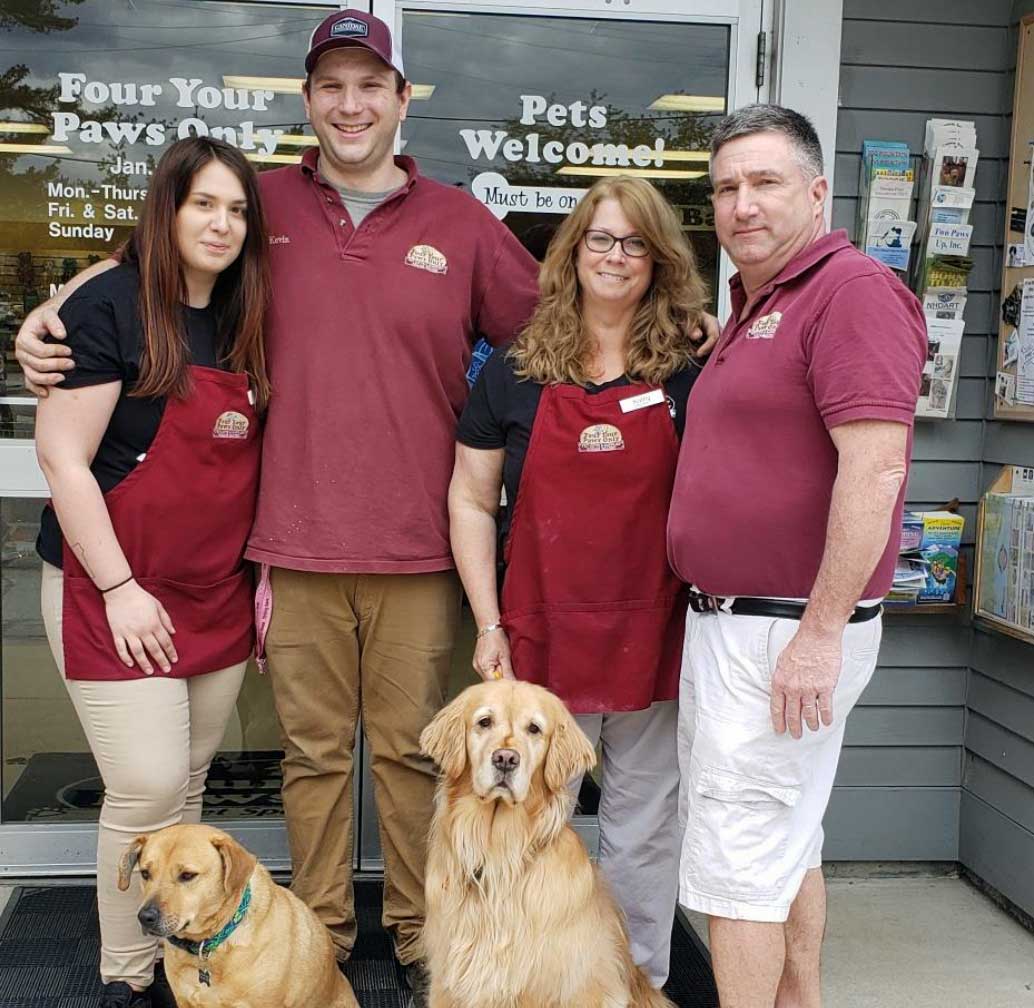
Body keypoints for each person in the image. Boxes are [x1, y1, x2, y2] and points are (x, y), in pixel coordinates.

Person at [666, 104, 927, 1008]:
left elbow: (877, 468)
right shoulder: (757, 302)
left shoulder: (850, 292)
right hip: (744, 628)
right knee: (785, 841)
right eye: (727, 188)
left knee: (739, 860)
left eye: (766, 182)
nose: (742, 205)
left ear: (818, 192)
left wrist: (818, 635)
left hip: (784, 633)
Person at [449, 175, 705, 989]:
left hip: (653, 626)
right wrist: (489, 624)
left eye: (636, 242)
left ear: (661, 259)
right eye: (601, 239)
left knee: (640, 821)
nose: (617, 256)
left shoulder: (694, 366)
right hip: (542, 625)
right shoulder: (518, 367)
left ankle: (632, 982)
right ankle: (523, 973)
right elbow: (469, 498)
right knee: (524, 813)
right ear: (573, 252)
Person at [33, 136, 270, 1008]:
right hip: (115, 593)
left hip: (213, 594)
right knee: (144, 788)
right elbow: (60, 457)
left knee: (188, 791)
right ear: (166, 210)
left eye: (237, 209)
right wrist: (122, 588)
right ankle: (128, 975)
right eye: (203, 203)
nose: (221, 223)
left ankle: (185, 961)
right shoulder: (110, 305)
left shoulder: (248, 312)